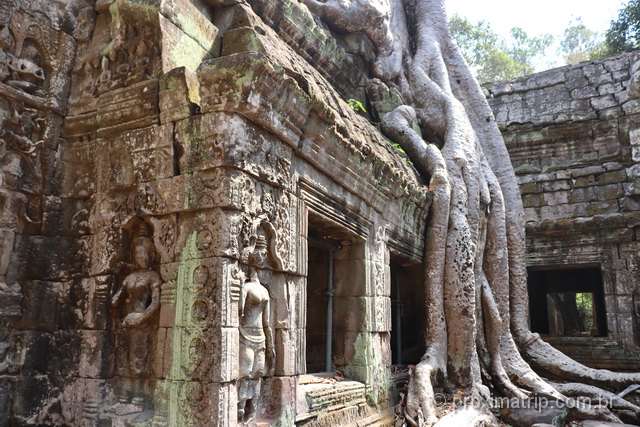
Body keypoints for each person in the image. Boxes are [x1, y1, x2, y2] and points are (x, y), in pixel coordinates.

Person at [111, 223, 161, 414]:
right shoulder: (130, 277)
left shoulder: (152, 276)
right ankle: (123, 398)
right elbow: (116, 300)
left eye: (143, 253)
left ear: (151, 254)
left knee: (137, 362)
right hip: (127, 322)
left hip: (140, 324)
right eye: (137, 253)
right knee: (123, 361)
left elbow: (155, 304)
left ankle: (138, 400)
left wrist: (140, 320)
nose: (139, 257)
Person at [237, 235, 275, 423]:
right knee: (245, 371)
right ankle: (240, 408)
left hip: (260, 335)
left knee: (258, 372)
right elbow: (238, 312)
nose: (262, 257)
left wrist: (271, 344)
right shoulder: (246, 287)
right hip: (245, 334)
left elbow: (267, 321)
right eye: (259, 253)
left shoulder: (265, 290)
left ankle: (252, 409)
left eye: (265, 254)